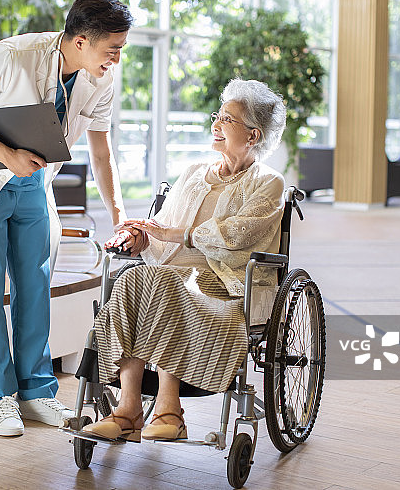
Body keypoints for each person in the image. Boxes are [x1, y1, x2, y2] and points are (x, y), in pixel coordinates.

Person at [0, 0, 146, 437]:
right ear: (81, 41)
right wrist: (5, 153)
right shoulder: (12, 56)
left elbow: (102, 154)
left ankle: (37, 391)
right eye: (112, 50)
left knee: (34, 288)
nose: (116, 60)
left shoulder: (99, 77)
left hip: (32, 184)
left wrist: (120, 214)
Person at [82, 79, 286, 442]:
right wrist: (141, 235)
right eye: (217, 116)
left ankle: (169, 410)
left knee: (164, 283)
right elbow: (162, 227)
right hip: (170, 279)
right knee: (130, 279)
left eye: (227, 119)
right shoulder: (193, 172)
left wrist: (176, 235)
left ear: (253, 136)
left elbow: (237, 235)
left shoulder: (268, 183)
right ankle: (128, 410)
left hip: (224, 287)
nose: (216, 125)